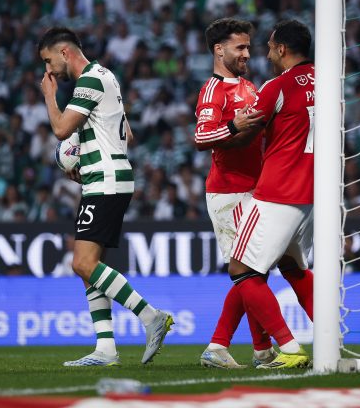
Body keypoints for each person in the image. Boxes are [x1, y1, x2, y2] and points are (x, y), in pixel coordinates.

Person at [38, 27, 173, 366]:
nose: (48, 71)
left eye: (48, 61)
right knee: (90, 267)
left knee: (82, 263)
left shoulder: (89, 81)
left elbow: (59, 129)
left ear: (65, 52)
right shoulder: (106, 77)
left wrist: (48, 97)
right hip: (104, 177)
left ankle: (150, 316)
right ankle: (105, 349)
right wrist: (81, 160)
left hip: (107, 182)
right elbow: (122, 132)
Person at [228, 19, 316, 369]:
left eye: (269, 45)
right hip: (312, 196)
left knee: (242, 269)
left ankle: (289, 348)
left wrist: (219, 133)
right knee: (293, 268)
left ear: (282, 49)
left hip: (278, 192)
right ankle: (333, 338)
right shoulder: (327, 80)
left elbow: (245, 133)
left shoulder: (277, 86)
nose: (265, 52)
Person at [193, 18, 279, 369]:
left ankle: (254, 350)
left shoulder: (249, 86)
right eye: (240, 47)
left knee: (254, 273)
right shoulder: (213, 90)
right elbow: (201, 137)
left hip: (254, 189)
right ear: (219, 50)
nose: (247, 53)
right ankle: (228, 347)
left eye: (248, 47)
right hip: (228, 192)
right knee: (248, 272)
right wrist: (232, 125)